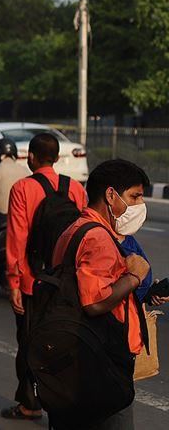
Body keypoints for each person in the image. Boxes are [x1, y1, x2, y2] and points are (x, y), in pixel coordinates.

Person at [46, 159, 151, 429]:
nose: (140, 205)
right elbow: (95, 302)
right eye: (135, 196)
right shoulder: (98, 238)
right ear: (111, 195)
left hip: (72, 353)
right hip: (100, 362)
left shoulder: (74, 229)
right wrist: (134, 276)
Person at [2, 133, 87, 420]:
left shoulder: (23, 188)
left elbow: (17, 238)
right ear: (57, 156)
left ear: (31, 158)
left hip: (32, 280)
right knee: (64, 340)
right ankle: (67, 401)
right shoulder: (75, 188)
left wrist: (13, 281)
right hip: (66, 279)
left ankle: (30, 404)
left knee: (29, 341)